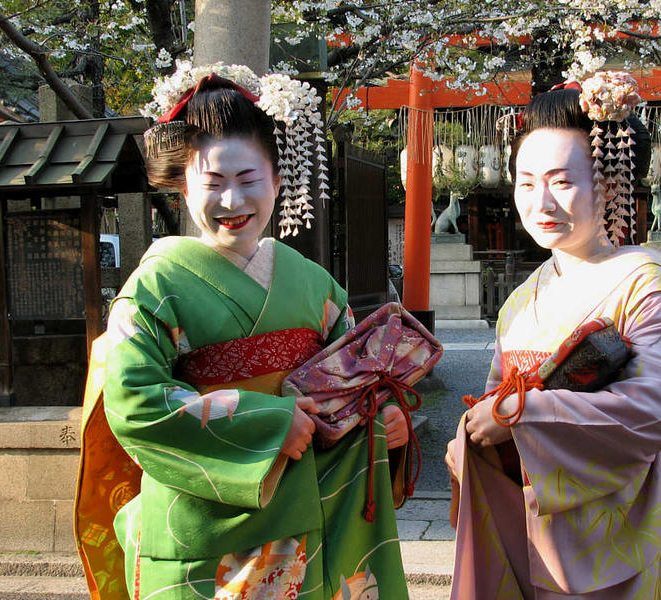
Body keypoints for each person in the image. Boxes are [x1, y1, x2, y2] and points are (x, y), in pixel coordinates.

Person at [74, 63, 412, 600]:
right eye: (212, 183)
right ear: (182, 188)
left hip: (312, 515)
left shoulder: (313, 285)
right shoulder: (154, 286)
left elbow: (356, 381)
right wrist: (270, 421)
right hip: (201, 526)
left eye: (248, 180)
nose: (232, 202)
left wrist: (386, 419)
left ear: (278, 181)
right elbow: (133, 401)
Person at [446, 72, 661, 599]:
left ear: (608, 182)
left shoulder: (641, 282)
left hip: (623, 530)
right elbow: (498, 401)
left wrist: (522, 414)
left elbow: (658, 407)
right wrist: (470, 435)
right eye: (525, 182)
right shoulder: (523, 298)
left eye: (562, 182)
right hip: (532, 524)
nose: (541, 203)